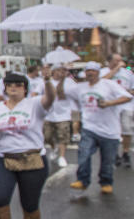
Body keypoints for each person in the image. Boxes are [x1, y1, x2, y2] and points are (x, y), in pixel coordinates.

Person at [0, 71, 55, 219]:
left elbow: (50, 98)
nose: (13, 87)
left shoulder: (35, 104)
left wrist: (48, 80)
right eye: (9, 85)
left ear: (25, 88)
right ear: (5, 88)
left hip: (31, 159)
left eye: (18, 84)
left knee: (29, 204)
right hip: (3, 158)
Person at [63, 61, 132, 196]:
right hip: (89, 127)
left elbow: (127, 97)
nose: (90, 73)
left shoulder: (109, 85)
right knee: (84, 153)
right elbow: (64, 94)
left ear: (98, 73)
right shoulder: (80, 88)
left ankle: (106, 182)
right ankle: (82, 180)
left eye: (93, 71)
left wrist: (109, 103)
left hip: (109, 130)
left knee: (107, 160)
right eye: (88, 71)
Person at [100, 53, 134, 168]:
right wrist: (116, 69)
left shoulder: (128, 73)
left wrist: (129, 93)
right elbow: (101, 83)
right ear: (110, 61)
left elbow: (133, 88)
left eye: (120, 60)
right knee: (112, 131)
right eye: (116, 60)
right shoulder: (103, 71)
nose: (120, 62)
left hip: (126, 105)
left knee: (127, 129)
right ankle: (114, 154)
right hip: (109, 106)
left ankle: (125, 153)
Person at [43, 65, 75, 169]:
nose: (60, 73)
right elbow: (36, 93)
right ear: (53, 72)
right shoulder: (47, 82)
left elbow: (76, 94)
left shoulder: (69, 82)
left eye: (62, 70)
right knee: (47, 137)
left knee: (63, 136)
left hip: (63, 114)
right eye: (58, 71)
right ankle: (53, 147)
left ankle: (62, 156)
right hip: (48, 114)